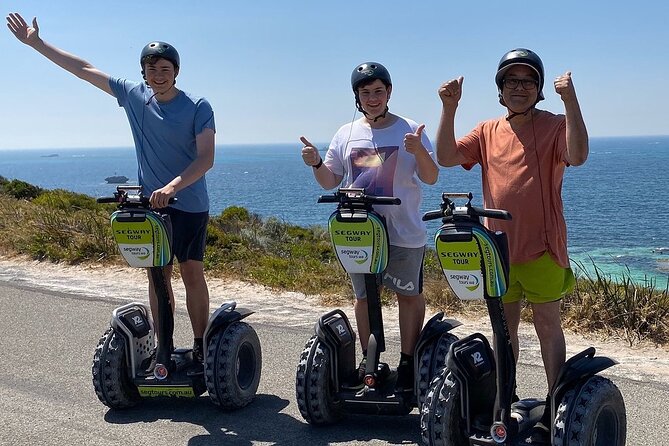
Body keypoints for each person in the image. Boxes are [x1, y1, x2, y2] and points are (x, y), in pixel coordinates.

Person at [7, 12, 216, 367]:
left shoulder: (197, 106)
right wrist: (37, 44)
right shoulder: (135, 96)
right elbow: (84, 69)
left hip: (190, 202)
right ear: (143, 73)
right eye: (151, 70)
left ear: (176, 71)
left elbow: (205, 159)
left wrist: (172, 185)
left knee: (191, 272)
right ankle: (162, 348)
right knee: (157, 274)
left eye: (165, 68)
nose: (158, 75)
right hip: (153, 205)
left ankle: (200, 346)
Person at [435, 48, 587, 433]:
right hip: (497, 251)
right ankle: (505, 399)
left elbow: (579, 155)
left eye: (528, 81)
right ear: (500, 89)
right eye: (511, 81)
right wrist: (449, 107)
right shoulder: (487, 130)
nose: (519, 87)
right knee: (504, 330)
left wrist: (570, 101)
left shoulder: (554, 124)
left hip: (543, 247)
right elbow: (447, 156)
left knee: (547, 325)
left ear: (539, 89)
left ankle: (557, 406)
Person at [300, 62, 439, 391]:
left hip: (403, 231)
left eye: (379, 91)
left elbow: (431, 177)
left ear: (389, 92)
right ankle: (369, 358)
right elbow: (330, 180)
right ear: (357, 97)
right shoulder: (346, 133)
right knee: (364, 298)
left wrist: (419, 150)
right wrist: (316, 162)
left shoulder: (410, 128)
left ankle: (408, 360)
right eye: (366, 92)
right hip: (360, 232)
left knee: (408, 295)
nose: (373, 98)